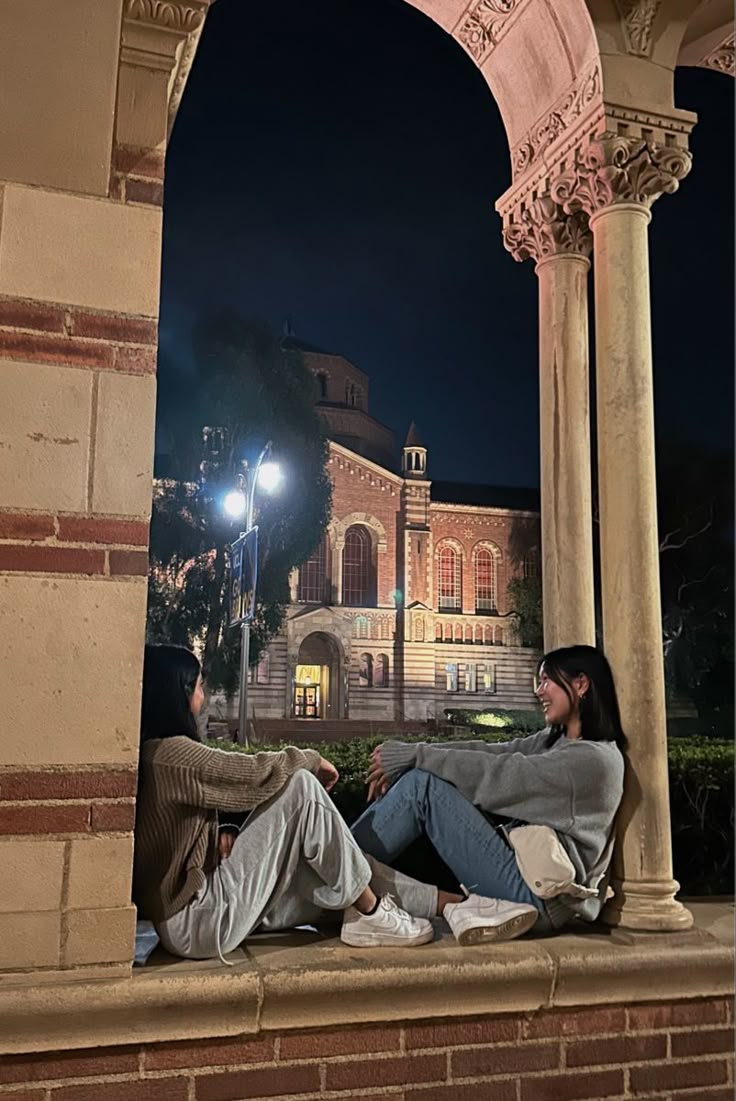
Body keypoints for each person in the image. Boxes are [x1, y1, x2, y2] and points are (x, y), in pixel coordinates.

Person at [133, 644, 522, 962]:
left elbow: (176, 839)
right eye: (199, 685)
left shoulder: (157, 754)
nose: (204, 694)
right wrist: (309, 758)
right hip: (199, 921)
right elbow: (248, 773)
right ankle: (370, 912)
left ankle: (454, 906)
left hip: (194, 916)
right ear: (180, 692)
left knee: (337, 871)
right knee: (301, 788)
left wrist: (222, 833)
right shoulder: (173, 755)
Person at [351, 645, 626, 937]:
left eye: (546, 680)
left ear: (580, 685)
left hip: (540, 897)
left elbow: (498, 775)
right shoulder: (554, 742)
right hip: (528, 877)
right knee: (421, 781)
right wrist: (414, 753)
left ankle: (337, 870)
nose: (538, 691)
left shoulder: (593, 761)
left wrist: (417, 756)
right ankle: (340, 873)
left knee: (423, 787)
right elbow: (491, 752)